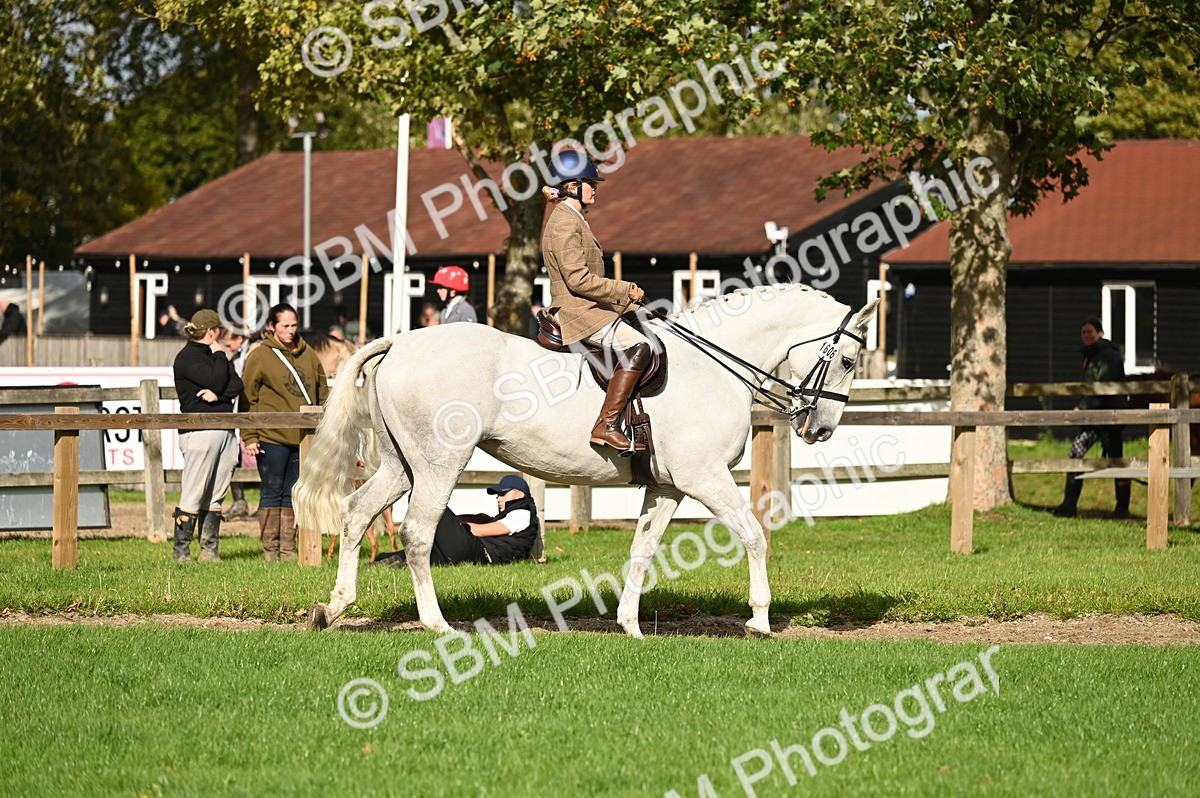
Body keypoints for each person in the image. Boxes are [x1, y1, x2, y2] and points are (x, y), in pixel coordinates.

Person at [540, 150, 649, 451]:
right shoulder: (564, 223)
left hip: (589, 307)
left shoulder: (573, 218)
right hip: (577, 312)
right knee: (641, 346)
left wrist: (631, 306)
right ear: (572, 187)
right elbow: (577, 280)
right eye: (590, 182)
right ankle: (607, 424)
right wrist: (624, 290)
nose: (595, 188)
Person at [241, 303, 327, 560]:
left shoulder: (308, 353)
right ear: (272, 326)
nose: (291, 331)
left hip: (303, 437)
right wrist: (250, 435)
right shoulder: (260, 356)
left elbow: (322, 391)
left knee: (294, 491)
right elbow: (248, 397)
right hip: (271, 435)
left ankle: (288, 549)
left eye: (294, 325)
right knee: (272, 489)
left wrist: (324, 425)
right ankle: (271, 549)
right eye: (285, 326)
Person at [171, 310, 243, 562]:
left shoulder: (213, 356)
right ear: (212, 332)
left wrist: (219, 396)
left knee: (216, 492)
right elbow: (216, 378)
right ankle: (181, 552)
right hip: (199, 431)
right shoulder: (188, 357)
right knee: (194, 491)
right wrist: (222, 354)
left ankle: (209, 550)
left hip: (223, 430)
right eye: (219, 331)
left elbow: (236, 385)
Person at [1053, 317, 1131, 519]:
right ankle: (1069, 504)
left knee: (1116, 460)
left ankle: (1122, 507)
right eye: (1083, 332)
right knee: (1076, 453)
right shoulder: (1091, 355)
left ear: (1100, 333)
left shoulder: (1109, 356)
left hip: (1109, 417)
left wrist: (1082, 407)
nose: (1086, 335)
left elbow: (1103, 388)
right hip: (1094, 418)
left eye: (1090, 332)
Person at [371, 475, 539, 567]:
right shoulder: (515, 513)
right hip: (471, 554)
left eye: (503, 493)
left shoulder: (522, 514)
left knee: (425, 496)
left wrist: (457, 526)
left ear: (519, 494)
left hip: (478, 552)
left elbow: (480, 531)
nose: (498, 498)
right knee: (410, 557)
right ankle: (387, 561)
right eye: (498, 494)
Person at [220, 328, 258, 522]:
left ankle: (264, 504)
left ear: (240, 339)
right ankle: (239, 502)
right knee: (235, 456)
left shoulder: (256, 350)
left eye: (230, 343)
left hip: (255, 409)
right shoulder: (236, 358)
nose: (228, 348)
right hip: (239, 409)